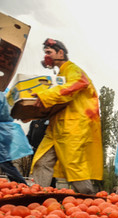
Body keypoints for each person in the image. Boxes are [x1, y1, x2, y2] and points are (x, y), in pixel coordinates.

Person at [31, 38, 103, 194]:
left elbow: (77, 84)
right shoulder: (61, 75)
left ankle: (92, 200)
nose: (46, 56)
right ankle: (37, 198)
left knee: (74, 168)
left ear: (60, 53)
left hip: (73, 127)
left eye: (49, 52)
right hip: (56, 127)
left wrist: (45, 96)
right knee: (41, 161)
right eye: (45, 53)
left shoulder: (72, 69)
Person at [0, 94, 32, 184]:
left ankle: (22, 186)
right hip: (6, 132)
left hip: (2, 133)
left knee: (5, 163)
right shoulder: (5, 94)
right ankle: (22, 186)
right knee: (5, 163)